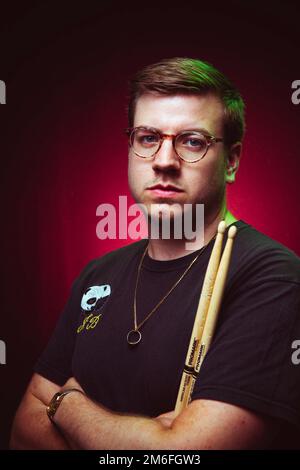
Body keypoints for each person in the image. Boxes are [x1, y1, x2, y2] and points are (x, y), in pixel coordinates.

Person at [10, 57, 300, 450]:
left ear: (231, 161)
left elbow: (183, 455)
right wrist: (147, 436)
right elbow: (23, 431)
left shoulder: (273, 278)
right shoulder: (97, 276)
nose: (164, 161)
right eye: (148, 138)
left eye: (192, 141)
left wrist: (66, 403)